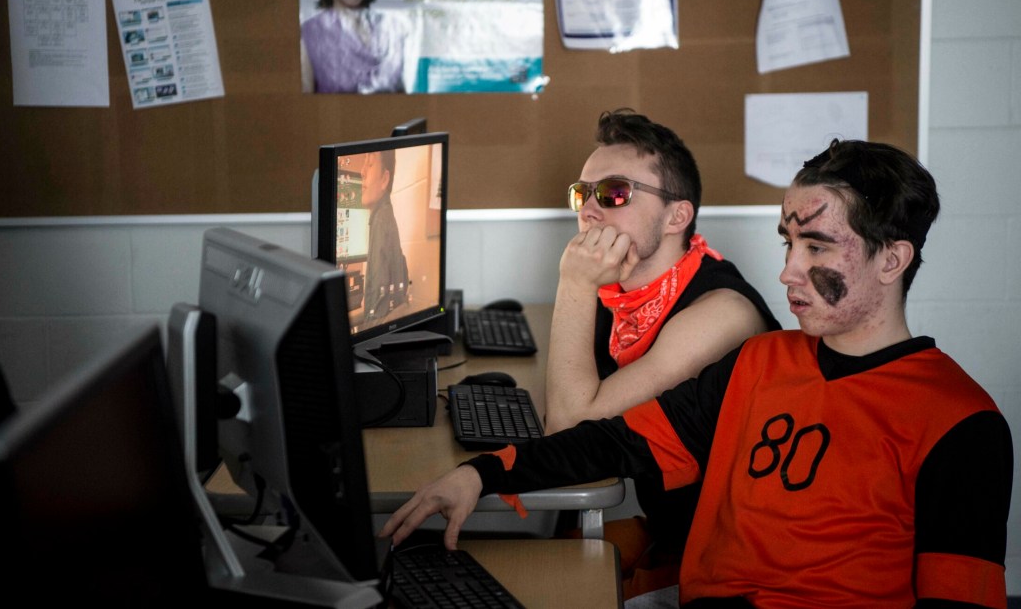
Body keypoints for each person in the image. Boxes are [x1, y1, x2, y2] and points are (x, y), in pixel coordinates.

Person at [380, 140, 1014, 608]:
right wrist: (479, 473)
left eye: (817, 246)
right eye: (786, 244)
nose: (789, 271)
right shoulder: (760, 363)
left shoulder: (960, 423)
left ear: (892, 259)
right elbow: (617, 440)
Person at [546, 109, 780, 597]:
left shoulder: (720, 313)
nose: (588, 210)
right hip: (676, 528)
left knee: (545, 584)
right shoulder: (625, 295)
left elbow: (567, 431)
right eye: (580, 194)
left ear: (678, 216)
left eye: (614, 193)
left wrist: (573, 282)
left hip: (733, 561)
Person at [361, 149, 408, 324]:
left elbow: (376, 316)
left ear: (384, 179)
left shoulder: (381, 221)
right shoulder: (386, 215)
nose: (362, 171)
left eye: (370, 164)